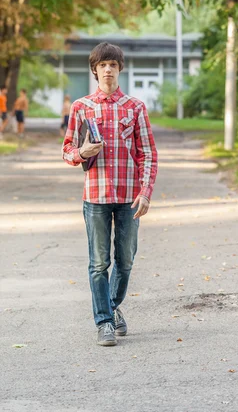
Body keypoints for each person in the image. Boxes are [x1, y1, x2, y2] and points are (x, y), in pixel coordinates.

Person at [62, 42, 158, 347]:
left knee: (126, 260)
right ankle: (104, 321)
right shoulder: (81, 107)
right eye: (102, 65)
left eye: (113, 65)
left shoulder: (135, 107)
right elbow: (66, 151)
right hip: (95, 196)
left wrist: (145, 192)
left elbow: (148, 153)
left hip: (130, 196)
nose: (108, 69)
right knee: (98, 263)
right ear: (94, 70)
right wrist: (81, 152)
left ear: (120, 69)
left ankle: (112, 305)